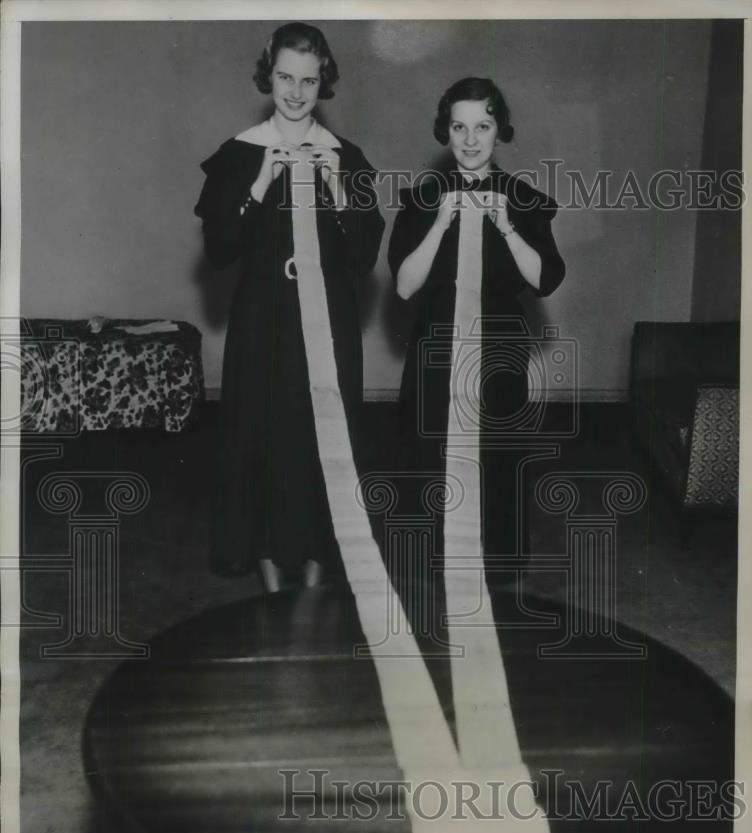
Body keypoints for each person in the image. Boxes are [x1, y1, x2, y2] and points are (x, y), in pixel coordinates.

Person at [195, 22, 384, 592]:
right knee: (264, 437)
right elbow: (221, 250)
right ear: (268, 76)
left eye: (308, 79)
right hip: (264, 313)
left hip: (329, 313)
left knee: (325, 438)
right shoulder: (239, 153)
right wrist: (260, 184)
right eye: (285, 77)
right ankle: (271, 579)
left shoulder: (346, 157)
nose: (296, 93)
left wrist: (341, 192)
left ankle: (318, 570)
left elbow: (364, 256)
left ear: (323, 80)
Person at [387, 77, 565, 589]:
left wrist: (507, 226)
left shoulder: (523, 198)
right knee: (431, 465)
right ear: (445, 131)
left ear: (498, 130)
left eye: (482, 126)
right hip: (436, 354)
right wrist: (441, 223)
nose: (470, 140)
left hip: (499, 357)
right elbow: (403, 287)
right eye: (459, 127)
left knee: (499, 467)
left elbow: (545, 279)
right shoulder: (423, 199)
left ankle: (501, 588)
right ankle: (432, 585)